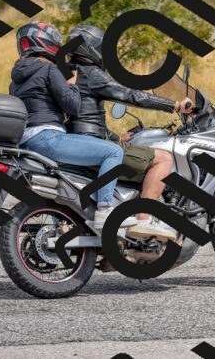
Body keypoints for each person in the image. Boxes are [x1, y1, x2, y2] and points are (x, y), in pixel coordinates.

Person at [64, 25, 193, 242]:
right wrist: (175, 105)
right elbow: (130, 95)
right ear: (90, 48)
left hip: (76, 142)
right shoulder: (91, 74)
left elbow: (83, 117)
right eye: (100, 48)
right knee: (163, 159)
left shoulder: (67, 73)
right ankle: (143, 219)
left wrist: (116, 137)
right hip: (92, 144)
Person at [9, 21, 138, 231]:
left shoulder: (17, 78)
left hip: (26, 140)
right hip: (48, 137)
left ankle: (65, 222)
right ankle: (105, 211)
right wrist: (72, 85)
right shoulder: (50, 69)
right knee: (113, 153)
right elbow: (73, 106)